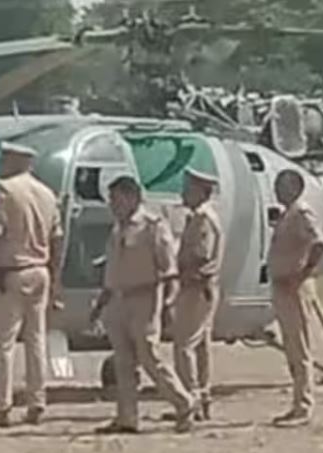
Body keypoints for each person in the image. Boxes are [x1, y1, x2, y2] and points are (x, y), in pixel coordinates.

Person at [90, 176, 196, 434]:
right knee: (123, 362)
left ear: (133, 198)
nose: (113, 205)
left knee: (150, 357)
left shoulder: (152, 226)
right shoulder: (118, 229)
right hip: (118, 300)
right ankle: (127, 417)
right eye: (111, 200)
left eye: (117, 199)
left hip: (144, 299)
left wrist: (168, 304)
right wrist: (101, 303)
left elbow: (169, 270)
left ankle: (184, 403)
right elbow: (113, 270)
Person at [0, 142, 63, 428]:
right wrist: (55, 277)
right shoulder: (47, 194)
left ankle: (1, 405)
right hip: (39, 271)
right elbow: (57, 238)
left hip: (10, 272)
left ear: (13, 161)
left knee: (2, 344)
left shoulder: (5, 190)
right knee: (36, 340)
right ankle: (37, 401)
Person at [268, 169, 323, 427]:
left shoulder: (301, 213)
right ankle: (297, 402)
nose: (277, 190)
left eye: (282, 185)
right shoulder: (287, 214)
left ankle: (303, 405)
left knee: (300, 347)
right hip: (283, 287)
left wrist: (303, 272)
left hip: (295, 287)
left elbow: (320, 243)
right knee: (292, 347)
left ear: (295, 187)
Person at [167, 166, 224, 422]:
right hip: (200, 287)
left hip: (197, 288)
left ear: (202, 192)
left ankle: (190, 398)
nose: (183, 193)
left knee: (184, 346)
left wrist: (176, 271)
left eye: (188, 189)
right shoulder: (199, 217)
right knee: (200, 346)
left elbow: (199, 256)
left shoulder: (203, 220)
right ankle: (202, 396)